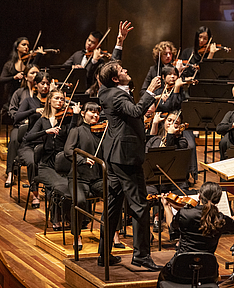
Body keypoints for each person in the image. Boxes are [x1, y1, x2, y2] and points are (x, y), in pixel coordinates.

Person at [97, 59, 162, 269]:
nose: (126, 70)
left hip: (114, 157)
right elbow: (135, 111)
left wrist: (118, 44)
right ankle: (141, 255)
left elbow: (108, 71)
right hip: (126, 158)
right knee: (140, 206)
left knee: (112, 206)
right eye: (122, 70)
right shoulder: (117, 96)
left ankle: (103, 254)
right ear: (116, 79)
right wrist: (150, 92)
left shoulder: (105, 91)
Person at [63, 102, 125, 250]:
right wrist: (83, 159)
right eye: (92, 112)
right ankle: (76, 235)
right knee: (79, 200)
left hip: (97, 178)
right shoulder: (77, 131)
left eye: (98, 113)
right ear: (83, 113)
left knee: (115, 195)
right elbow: (68, 151)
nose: (96, 115)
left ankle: (114, 234)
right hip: (79, 178)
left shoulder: (102, 133)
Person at [158, 182, 234, 284]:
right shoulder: (221, 219)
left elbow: (172, 227)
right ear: (218, 200)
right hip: (208, 270)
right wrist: (230, 221)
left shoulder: (185, 214)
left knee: (162, 277)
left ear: (199, 195)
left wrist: (167, 207)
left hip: (181, 268)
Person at [24, 89, 80, 229]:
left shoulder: (66, 120)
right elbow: (27, 137)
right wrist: (46, 131)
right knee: (59, 186)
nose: (60, 101)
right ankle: (56, 218)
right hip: (46, 165)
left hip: (64, 163)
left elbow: (72, 135)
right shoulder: (42, 120)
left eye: (62, 99)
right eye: (56, 98)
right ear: (49, 100)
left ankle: (69, 217)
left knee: (73, 185)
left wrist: (75, 116)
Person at [14, 71, 51, 208]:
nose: (45, 87)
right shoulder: (29, 101)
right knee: (32, 162)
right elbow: (17, 117)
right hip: (29, 143)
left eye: (47, 84)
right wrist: (33, 111)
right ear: (36, 85)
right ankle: (35, 194)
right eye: (42, 83)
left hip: (46, 143)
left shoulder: (52, 102)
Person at [63, 21, 133, 88]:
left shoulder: (100, 62)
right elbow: (63, 68)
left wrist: (94, 61)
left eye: (93, 42)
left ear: (98, 45)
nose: (89, 43)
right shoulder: (77, 55)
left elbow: (89, 78)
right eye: (88, 40)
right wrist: (73, 67)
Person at [5, 64, 40, 187]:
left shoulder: (41, 94)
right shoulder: (19, 92)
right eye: (32, 73)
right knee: (14, 140)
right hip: (20, 126)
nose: (35, 75)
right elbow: (13, 111)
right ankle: (10, 173)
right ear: (25, 77)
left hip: (36, 128)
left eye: (37, 72)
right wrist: (24, 119)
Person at [0, 37, 43, 106]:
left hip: (25, 94)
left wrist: (38, 55)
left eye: (28, 46)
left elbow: (33, 68)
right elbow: (1, 80)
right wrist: (14, 77)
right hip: (12, 95)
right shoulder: (9, 64)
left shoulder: (28, 63)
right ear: (17, 47)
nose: (26, 47)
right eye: (24, 45)